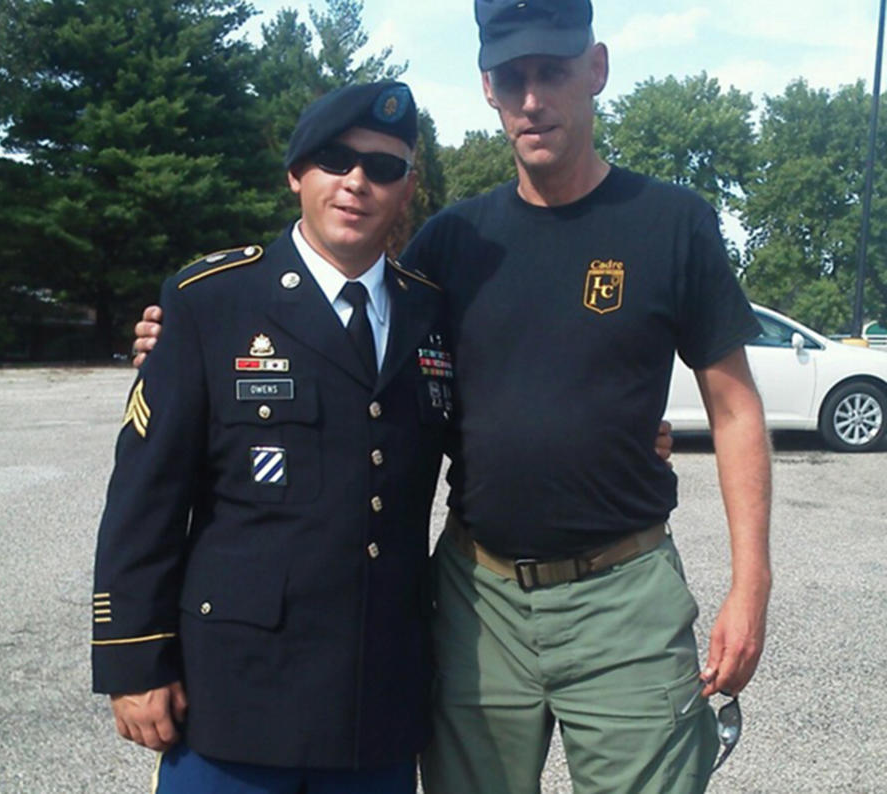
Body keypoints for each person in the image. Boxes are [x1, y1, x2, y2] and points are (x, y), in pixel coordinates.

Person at [131, 2, 767, 787]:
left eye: (553, 72)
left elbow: (735, 408)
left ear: (595, 70)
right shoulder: (452, 244)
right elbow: (335, 323)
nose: (533, 98)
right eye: (512, 78)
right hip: (480, 601)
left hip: (623, 594)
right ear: (488, 90)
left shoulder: (672, 224)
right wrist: (190, 331)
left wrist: (750, 583)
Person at [92, 81, 454, 794]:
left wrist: (626, 438)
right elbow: (144, 497)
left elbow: (504, 428)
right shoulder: (210, 302)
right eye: (334, 159)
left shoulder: (431, 312)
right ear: (296, 174)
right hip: (236, 702)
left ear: (407, 188)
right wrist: (134, 662)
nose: (357, 182)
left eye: (384, 168)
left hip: (373, 706)